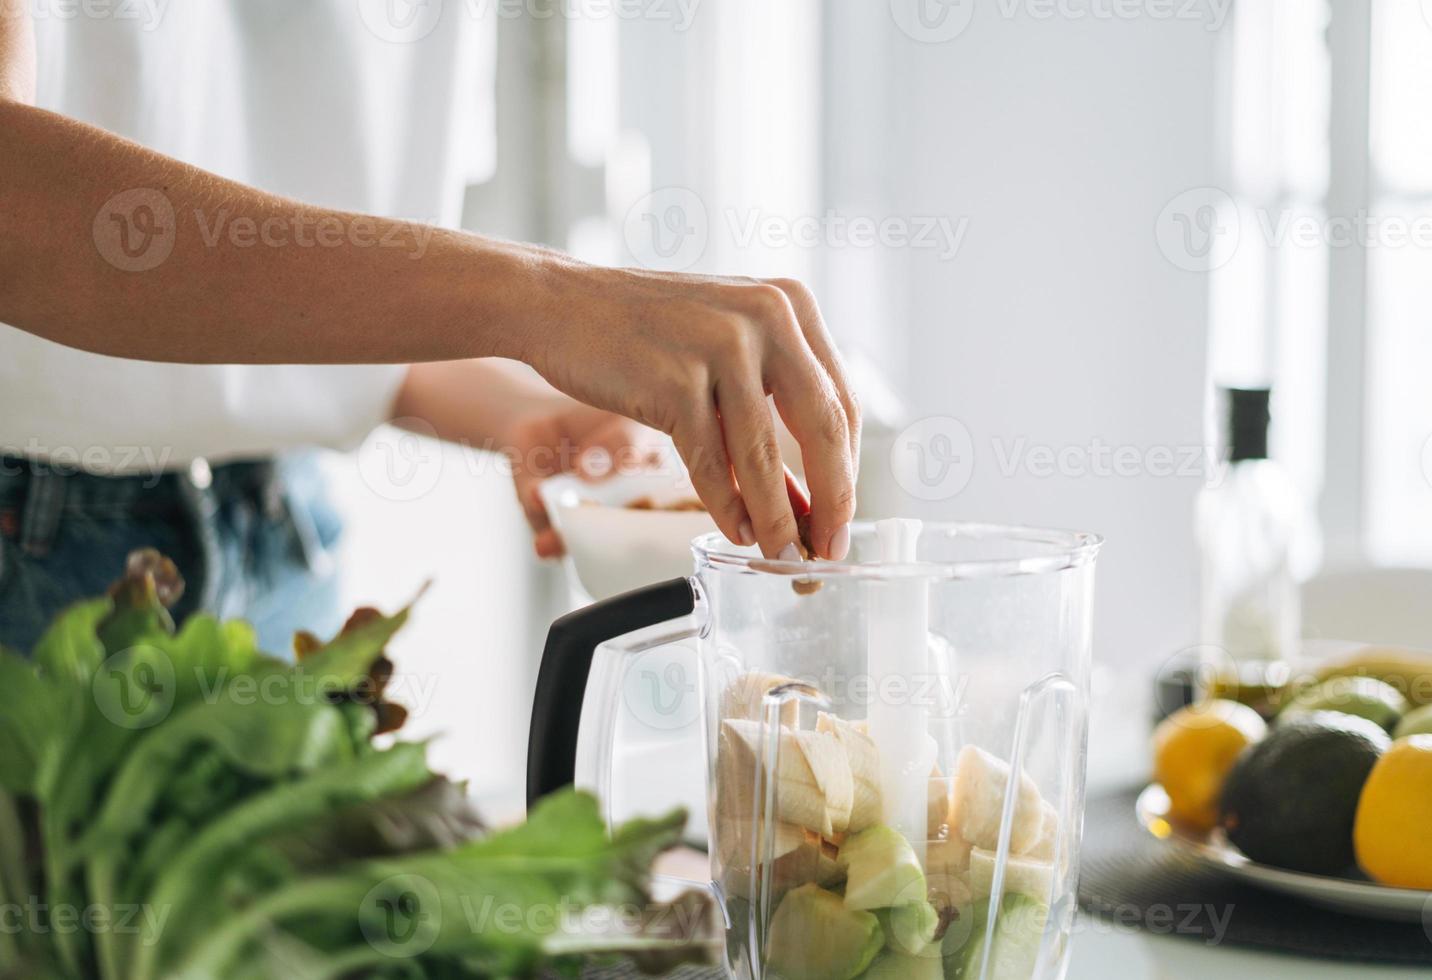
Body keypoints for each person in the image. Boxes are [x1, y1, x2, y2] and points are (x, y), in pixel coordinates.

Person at [0, 3, 859, 652]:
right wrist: (549, 300)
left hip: (284, 537)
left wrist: (520, 409)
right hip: (32, 563)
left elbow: (312, 308)